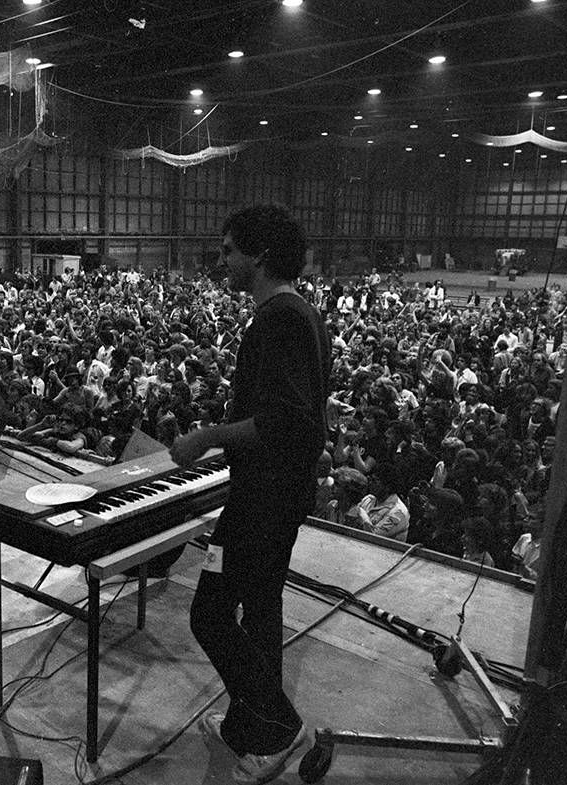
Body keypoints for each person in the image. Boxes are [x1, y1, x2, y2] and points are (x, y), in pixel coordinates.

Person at [169, 204, 330, 782]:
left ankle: (280, 726)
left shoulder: (278, 320)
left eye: (228, 251)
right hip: (279, 494)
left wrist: (206, 437)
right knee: (261, 609)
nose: (222, 262)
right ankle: (248, 728)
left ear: (259, 256)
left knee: (209, 613)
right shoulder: (302, 313)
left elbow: (285, 420)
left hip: (264, 499)